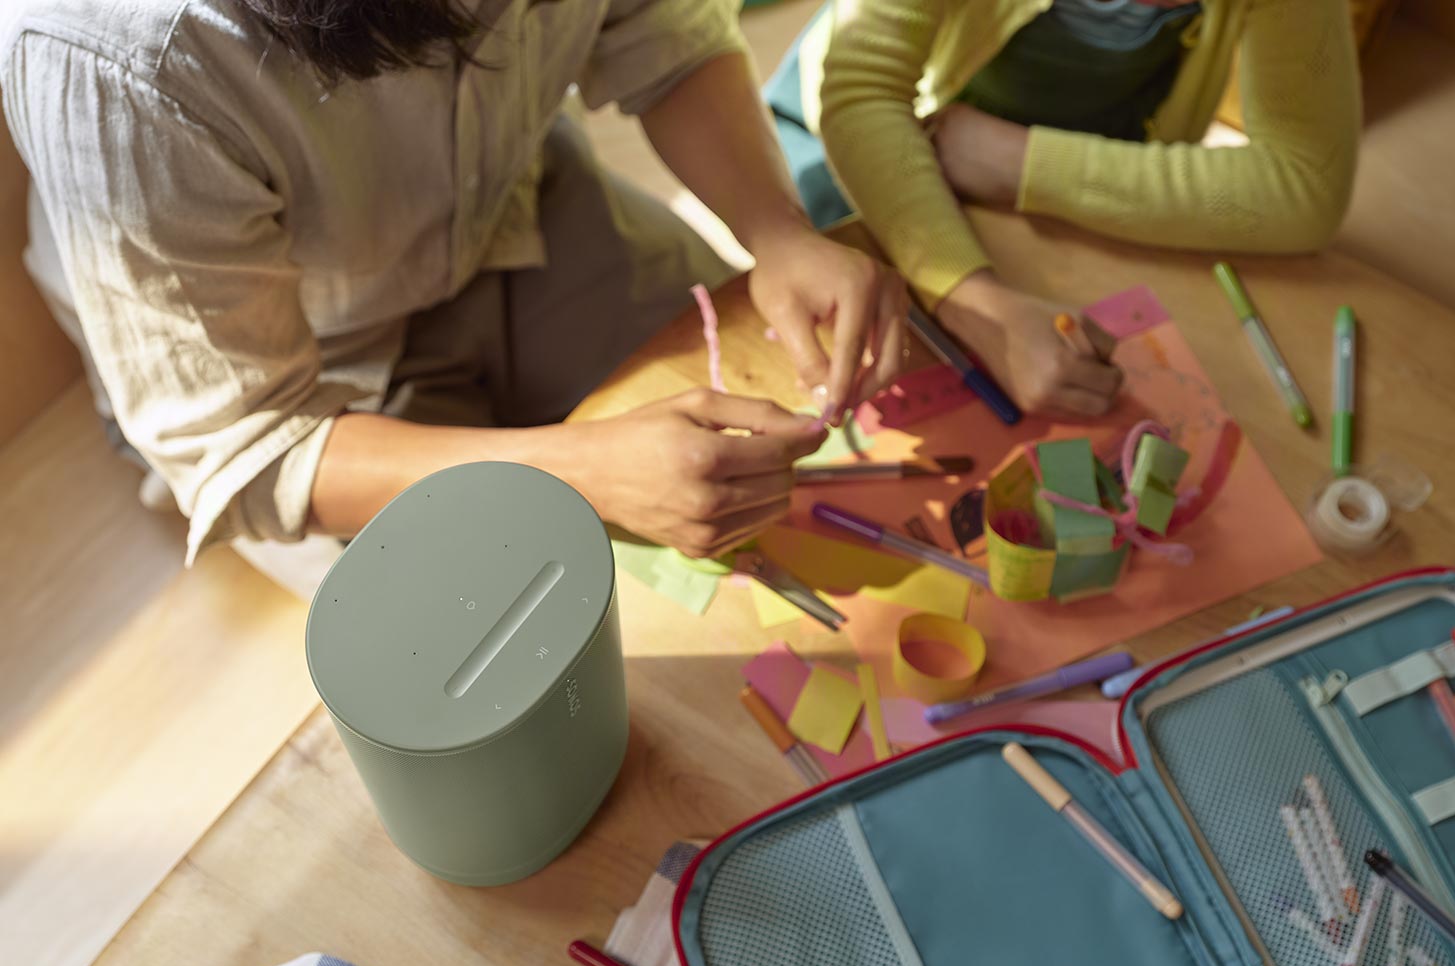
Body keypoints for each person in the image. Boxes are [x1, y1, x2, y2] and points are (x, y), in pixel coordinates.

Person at [3, 0, 907, 588]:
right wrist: (585, 473)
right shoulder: (105, 53)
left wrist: (779, 231)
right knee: (522, 650)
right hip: (309, 374)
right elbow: (250, 448)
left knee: (793, 473)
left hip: (518, 207)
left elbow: (654, 33)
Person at [767, 0, 1360, 418]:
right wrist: (976, 306)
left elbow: (1305, 189)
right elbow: (864, 93)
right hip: (855, 147)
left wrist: (1017, 163)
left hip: (1035, 172)